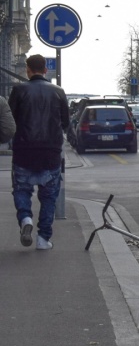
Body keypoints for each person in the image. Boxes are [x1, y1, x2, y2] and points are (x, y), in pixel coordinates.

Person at [9, 54, 71, 250]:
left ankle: (26, 218)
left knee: (21, 190)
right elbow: (66, 123)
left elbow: (10, 122)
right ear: (45, 70)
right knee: (49, 197)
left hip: (23, 151)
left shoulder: (18, 90)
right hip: (50, 152)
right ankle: (43, 239)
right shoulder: (59, 92)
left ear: (28, 70)